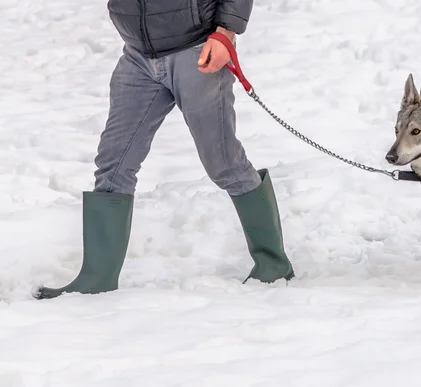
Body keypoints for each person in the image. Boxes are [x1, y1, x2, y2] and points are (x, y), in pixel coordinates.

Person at [33, 0, 294, 299]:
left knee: (224, 164)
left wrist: (226, 32)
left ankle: (273, 263)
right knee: (113, 164)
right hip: (138, 57)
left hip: (197, 51)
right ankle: (96, 278)